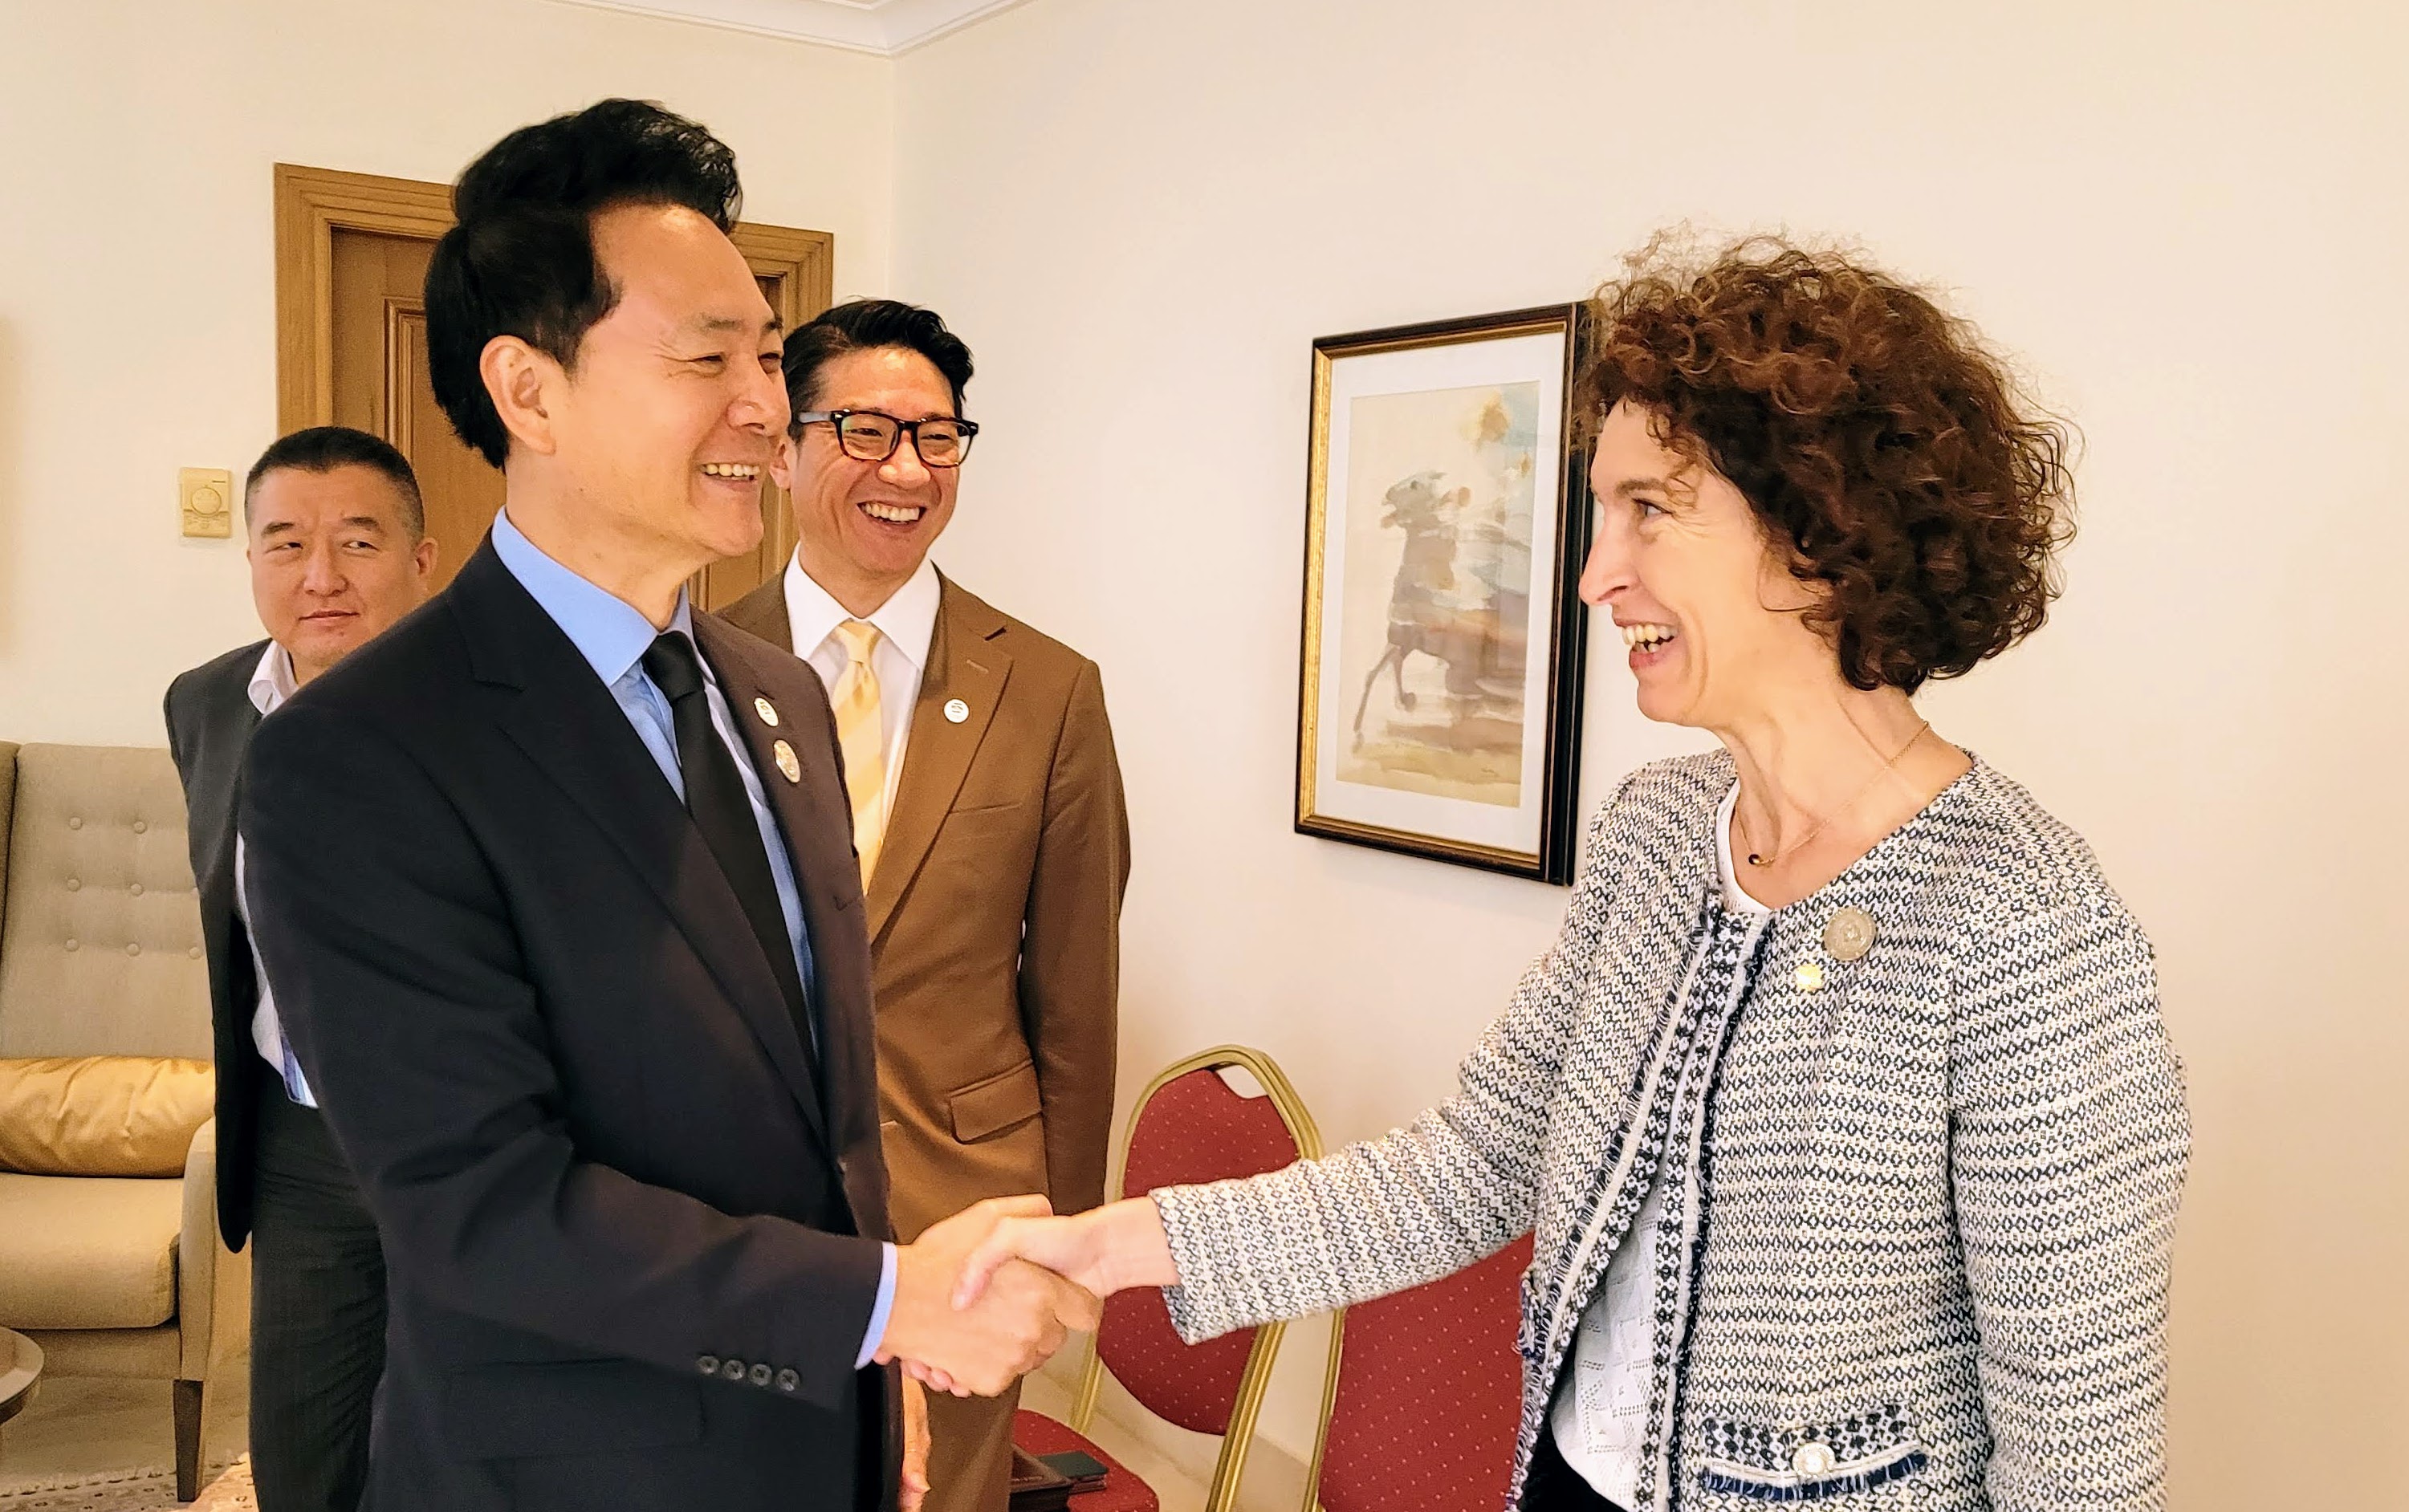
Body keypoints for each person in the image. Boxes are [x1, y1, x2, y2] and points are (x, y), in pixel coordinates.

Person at [948, 237, 2191, 1512]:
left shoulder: (2023, 926)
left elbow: (2079, 1454)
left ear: (1817, 530)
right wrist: (1109, 1245)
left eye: (1649, 509)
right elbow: (1476, 1165)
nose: (1596, 574)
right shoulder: (1658, 835)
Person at [238, 100, 1094, 1512]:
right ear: (528, 391)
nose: (766, 406)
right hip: (575, 1471)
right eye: (707, 358)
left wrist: (873, 1383)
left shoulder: (776, 696)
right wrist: (879, 1306)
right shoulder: (360, 754)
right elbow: (481, 1211)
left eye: (765, 354)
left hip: (822, 1433)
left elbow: (823, 1114)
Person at [720, 299, 1129, 1512]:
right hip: (745, 1207)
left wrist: (1062, 1246)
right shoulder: (688, 662)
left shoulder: (1049, 689)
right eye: (863, 429)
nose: (904, 468)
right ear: (786, 448)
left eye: (937, 436)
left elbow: (1076, 999)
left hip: (970, 1207)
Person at [164, 425, 436, 1512]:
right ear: (250, 562)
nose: (320, 576)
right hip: (301, 1143)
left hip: (468, 1145)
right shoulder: (207, 703)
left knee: (467, 1446)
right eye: (285, 543)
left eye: (358, 541)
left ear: (422, 558)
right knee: (302, 1459)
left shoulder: (511, 713)